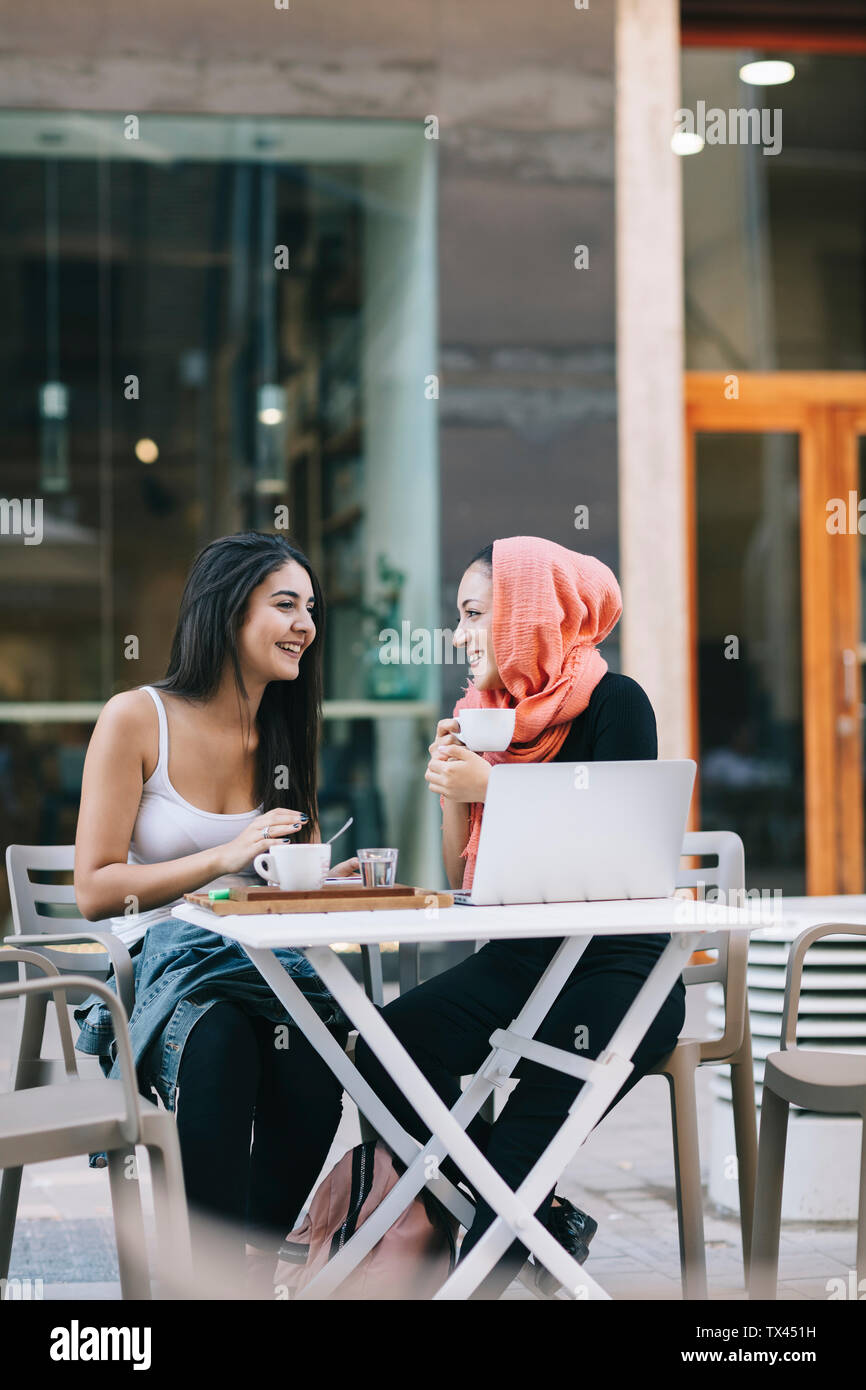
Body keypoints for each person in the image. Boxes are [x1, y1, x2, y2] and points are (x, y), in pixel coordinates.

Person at [354, 535, 686, 1299]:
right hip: (518, 960)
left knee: (518, 1151)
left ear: (526, 618)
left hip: (620, 966)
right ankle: (528, 1207)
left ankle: (498, 1222)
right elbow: (457, 877)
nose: (461, 636)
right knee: (386, 1046)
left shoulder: (616, 703)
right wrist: (456, 794)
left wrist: (494, 789)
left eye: (475, 615)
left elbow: (619, 850)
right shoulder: (484, 717)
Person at [73, 531, 359, 1282]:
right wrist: (221, 861)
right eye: (286, 604)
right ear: (229, 613)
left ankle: (239, 1268)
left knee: (317, 1057)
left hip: (258, 963)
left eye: (311, 608)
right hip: (160, 968)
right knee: (225, 1042)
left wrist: (324, 884)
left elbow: (276, 892)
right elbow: (94, 888)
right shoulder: (136, 718)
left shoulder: (285, 734)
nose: (306, 624)